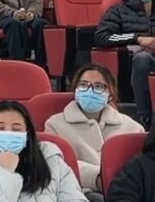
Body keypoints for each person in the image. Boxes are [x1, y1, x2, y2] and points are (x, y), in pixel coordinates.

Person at [41, 62, 141, 194]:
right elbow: (56, 164)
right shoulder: (55, 124)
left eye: (98, 86)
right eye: (83, 85)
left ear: (110, 94)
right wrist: (96, 177)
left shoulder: (133, 128)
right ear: (75, 90)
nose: (90, 91)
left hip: (125, 190)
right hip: (78, 191)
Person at [98, 0, 155, 124]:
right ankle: (145, 117)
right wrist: (136, 39)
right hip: (132, 61)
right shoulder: (117, 10)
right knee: (142, 59)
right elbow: (102, 36)